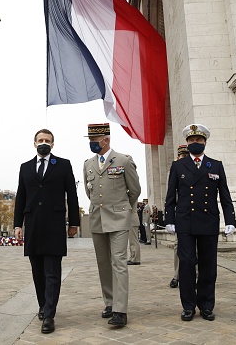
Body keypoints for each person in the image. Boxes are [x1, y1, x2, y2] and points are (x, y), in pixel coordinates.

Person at [164, 124, 236, 322]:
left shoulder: (215, 165)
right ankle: (188, 306)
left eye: (198, 140)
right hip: (185, 222)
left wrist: (231, 219)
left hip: (208, 221)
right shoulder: (178, 166)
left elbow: (225, 194)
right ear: (187, 143)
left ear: (205, 142)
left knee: (208, 266)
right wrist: (168, 219)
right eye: (191, 140)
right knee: (187, 264)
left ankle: (206, 305)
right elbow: (171, 195)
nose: (195, 143)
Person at [14, 129, 80, 334]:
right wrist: (17, 225)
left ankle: (49, 315)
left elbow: (72, 195)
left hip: (54, 225)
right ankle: (43, 304)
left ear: (53, 144)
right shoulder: (24, 168)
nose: (44, 143)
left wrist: (74, 223)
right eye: (40, 140)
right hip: (33, 224)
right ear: (34, 144)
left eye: (47, 140)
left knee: (52, 272)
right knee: (37, 271)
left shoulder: (63, 165)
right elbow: (21, 197)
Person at [83, 123, 140, 327]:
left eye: (94, 140)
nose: (91, 144)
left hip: (118, 219)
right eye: (89, 140)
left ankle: (120, 310)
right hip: (97, 219)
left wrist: (124, 209)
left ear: (106, 139)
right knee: (103, 263)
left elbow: (134, 190)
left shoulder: (124, 160)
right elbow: (89, 192)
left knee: (119, 262)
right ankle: (109, 302)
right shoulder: (88, 164)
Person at [169, 145, 189, 289]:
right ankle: (177, 275)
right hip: (180, 215)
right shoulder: (176, 169)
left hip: (196, 215)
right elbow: (171, 195)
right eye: (181, 155)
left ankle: (194, 274)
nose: (183, 158)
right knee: (177, 246)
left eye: (185, 155)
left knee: (195, 248)